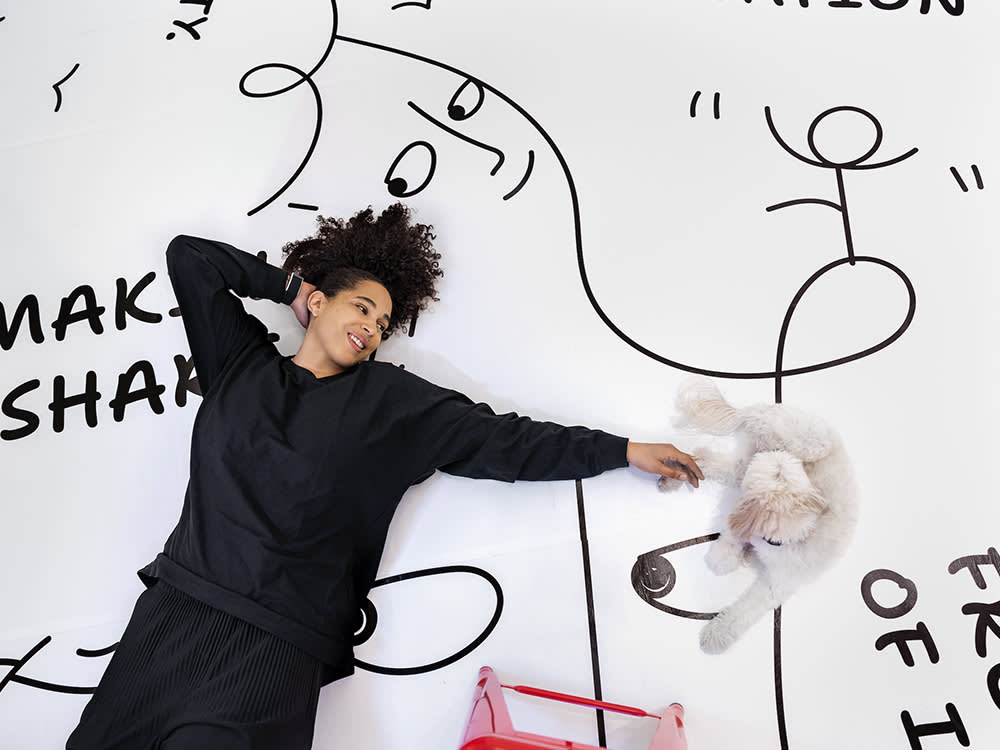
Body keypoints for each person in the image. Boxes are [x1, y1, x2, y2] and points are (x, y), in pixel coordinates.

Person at [66, 203, 703, 750]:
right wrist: (286, 284)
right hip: (175, 612)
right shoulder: (240, 364)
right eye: (362, 308)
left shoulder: (392, 404)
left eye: (382, 323)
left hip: (274, 647)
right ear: (317, 303)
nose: (372, 328)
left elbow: (509, 441)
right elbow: (190, 259)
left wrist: (621, 450)